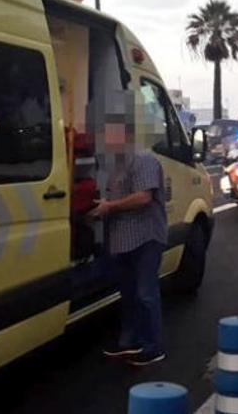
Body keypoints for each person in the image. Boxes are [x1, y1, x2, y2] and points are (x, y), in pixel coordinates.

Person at [89, 115, 168, 366]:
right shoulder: (114, 165)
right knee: (130, 293)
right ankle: (130, 342)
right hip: (123, 240)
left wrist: (109, 207)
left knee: (146, 294)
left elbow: (144, 197)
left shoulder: (143, 159)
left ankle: (153, 347)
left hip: (145, 237)